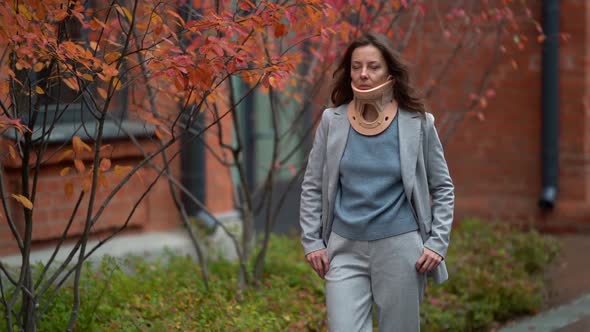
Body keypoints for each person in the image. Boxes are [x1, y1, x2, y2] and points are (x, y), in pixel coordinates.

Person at [299, 32, 454, 332]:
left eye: (373, 66)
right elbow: (312, 185)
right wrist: (312, 241)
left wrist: (437, 243)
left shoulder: (418, 123)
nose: (363, 74)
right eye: (356, 67)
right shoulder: (333, 121)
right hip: (343, 248)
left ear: (390, 72)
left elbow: (443, 187)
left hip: (400, 249)